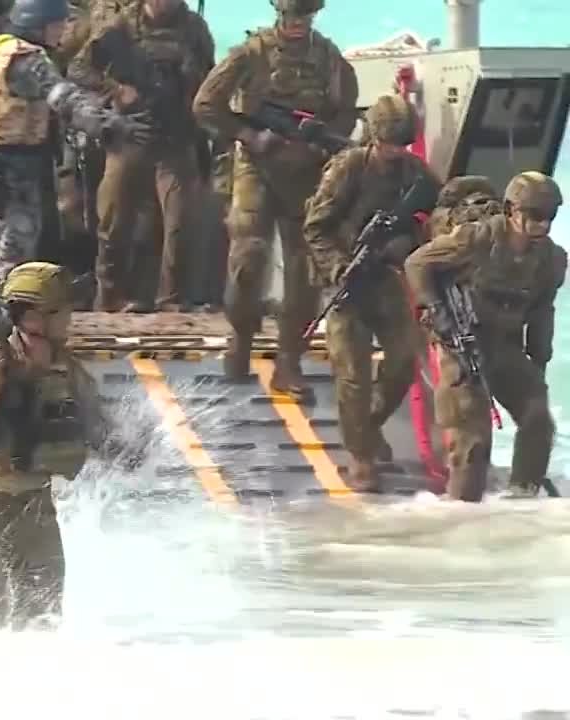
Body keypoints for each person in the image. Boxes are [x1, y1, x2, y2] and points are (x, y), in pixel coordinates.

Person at [192, 0, 357, 397]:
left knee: (303, 273)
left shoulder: (330, 59)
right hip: (257, 167)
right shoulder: (252, 54)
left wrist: (319, 146)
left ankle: (289, 362)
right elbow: (205, 105)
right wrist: (250, 136)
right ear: (279, 14)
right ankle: (240, 341)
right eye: (290, 16)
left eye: (304, 16)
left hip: (305, 174)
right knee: (248, 259)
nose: (296, 23)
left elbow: (345, 114)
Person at [0, 261, 108, 627]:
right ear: (34, 319)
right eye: (62, 310)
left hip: (36, 507)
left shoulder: (67, 368)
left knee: (42, 618)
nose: (70, 317)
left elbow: (97, 427)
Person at [0, 0, 149, 303]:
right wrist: (110, 125)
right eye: (59, 24)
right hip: (8, 165)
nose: (63, 31)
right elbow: (64, 98)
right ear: (41, 24)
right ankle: (5, 324)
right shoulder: (28, 60)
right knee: (14, 251)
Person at [302, 95, 439, 492]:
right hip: (345, 279)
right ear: (374, 138)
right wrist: (336, 267)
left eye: (401, 144)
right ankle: (361, 455)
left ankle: (369, 424)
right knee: (352, 374)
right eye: (388, 143)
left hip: (385, 278)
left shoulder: (416, 176)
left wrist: (405, 243)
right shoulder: (349, 169)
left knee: (401, 363)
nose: (395, 151)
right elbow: (315, 227)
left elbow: (435, 212)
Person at [404, 171, 566, 501]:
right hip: (460, 341)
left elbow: (541, 310)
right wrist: (436, 311)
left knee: (537, 417)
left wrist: (539, 361)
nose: (543, 225)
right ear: (511, 210)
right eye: (534, 216)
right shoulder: (475, 239)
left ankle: (522, 496)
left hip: (504, 346)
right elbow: (417, 263)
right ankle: (462, 512)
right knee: (472, 438)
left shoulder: (552, 259)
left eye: (550, 217)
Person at [71, 0, 214, 312]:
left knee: (181, 221)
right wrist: (115, 89)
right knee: (113, 220)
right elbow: (79, 69)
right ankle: (109, 298)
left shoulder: (193, 28)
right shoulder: (120, 26)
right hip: (131, 133)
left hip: (177, 137)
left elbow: (211, 80)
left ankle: (171, 300)